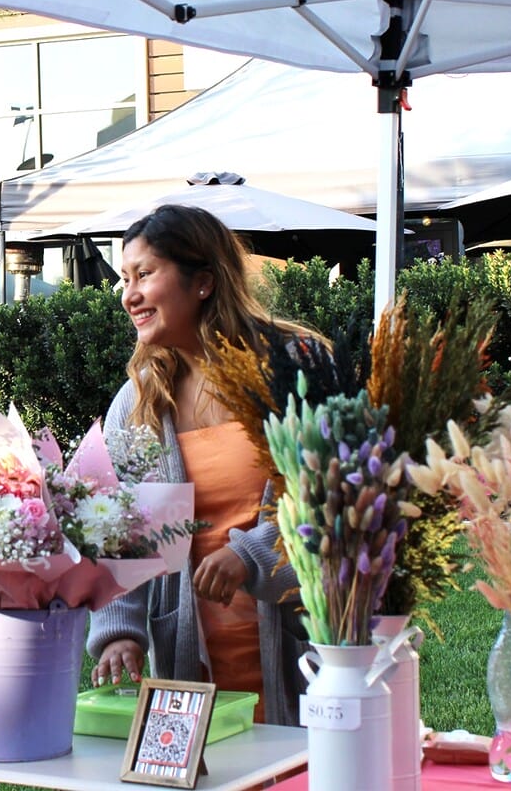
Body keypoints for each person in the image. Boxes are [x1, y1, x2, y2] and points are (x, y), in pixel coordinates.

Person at [86, 204, 341, 727]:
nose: (129, 295)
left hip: (303, 645)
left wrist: (250, 555)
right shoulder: (138, 402)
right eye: (124, 279)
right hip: (191, 656)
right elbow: (118, 530)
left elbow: (337, 500)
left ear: (203, 282)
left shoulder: (296, 367)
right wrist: (119, 631)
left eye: (144, 274)